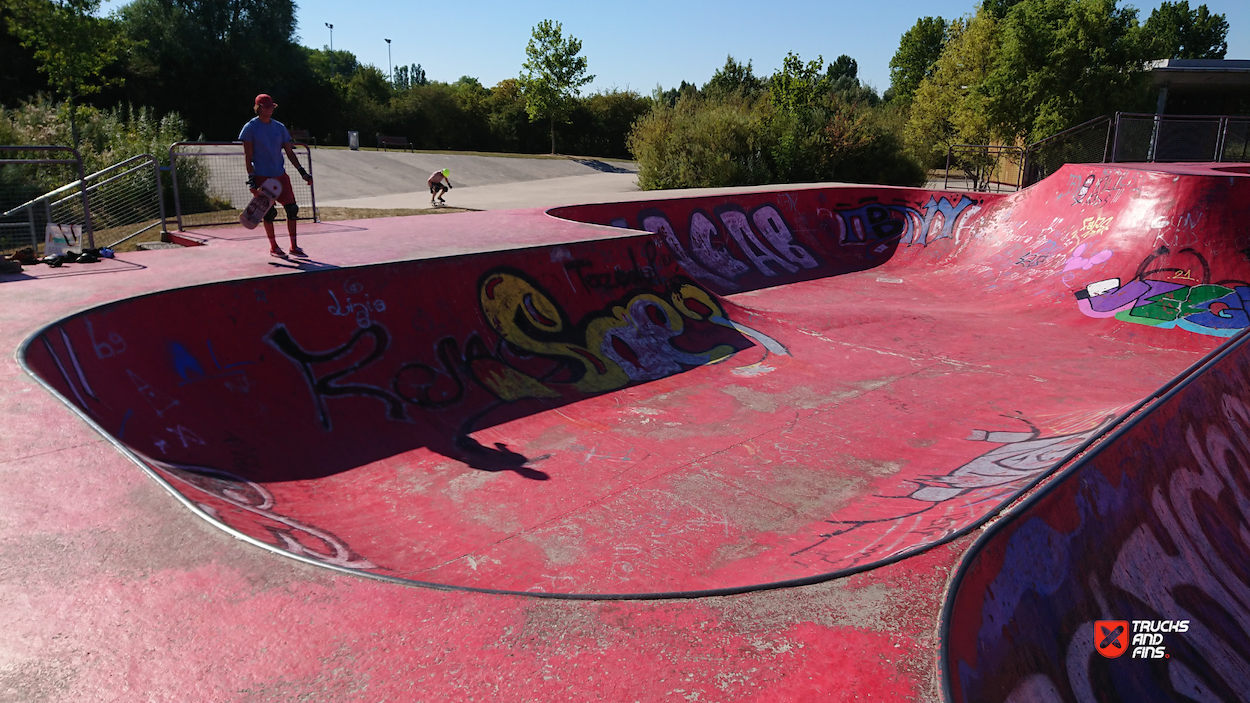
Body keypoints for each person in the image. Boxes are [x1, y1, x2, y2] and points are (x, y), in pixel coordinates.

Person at [240, 93, 313, 259]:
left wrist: (302, 172)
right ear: (258, 108)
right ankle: (273, 246)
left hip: (280, 175)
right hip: (262, 177)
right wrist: (251, 181)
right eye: (267, 106)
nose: (270, 109)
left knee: (292, 209)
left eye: (272, 106)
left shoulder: (279, 127)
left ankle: (294, 246)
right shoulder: (250, 128)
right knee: (269, 213)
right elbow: (248, 156)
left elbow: (289, 152)